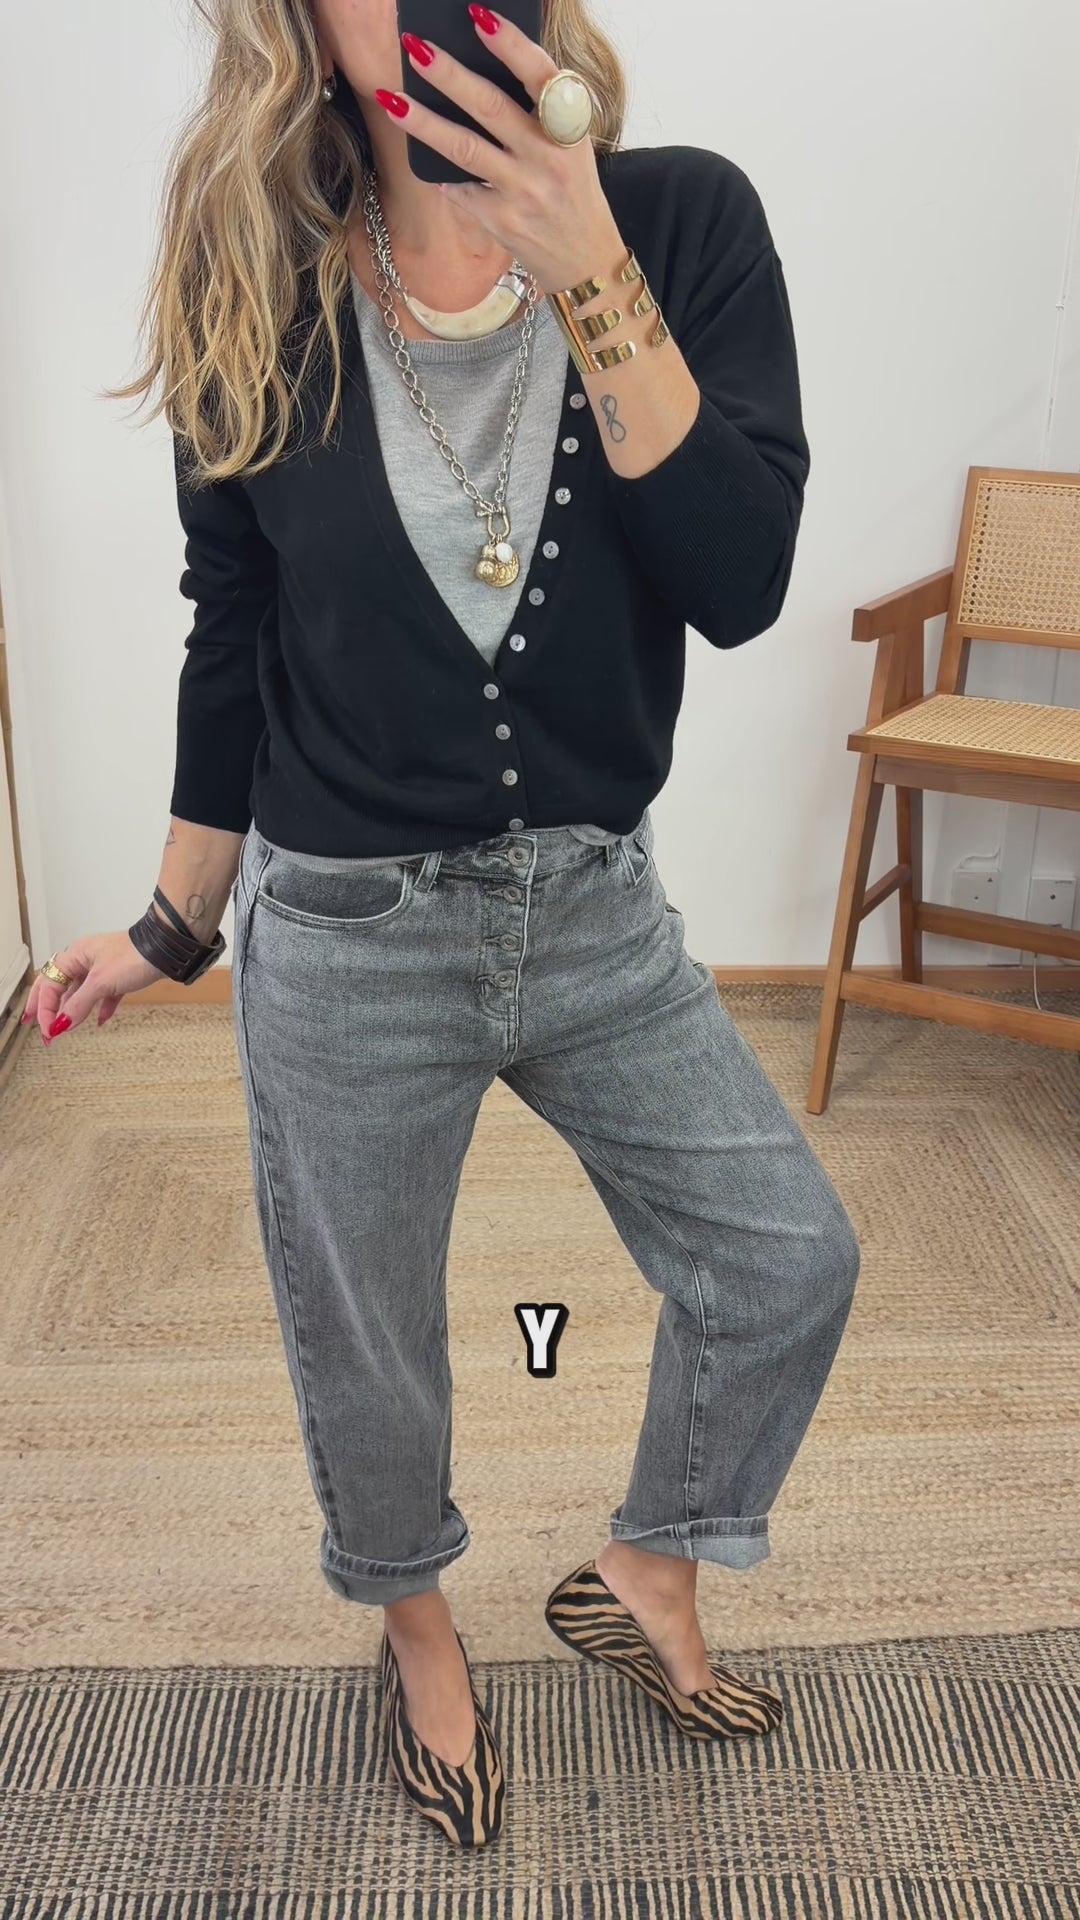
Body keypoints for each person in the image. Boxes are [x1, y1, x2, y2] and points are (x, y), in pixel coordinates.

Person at [22, 0, 861, 1853]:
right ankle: (419, 1638)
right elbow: (231, 633)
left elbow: (739, 580)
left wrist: (589, 264)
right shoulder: (258, 281)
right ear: (304, 27)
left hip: (596, 909)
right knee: (374, 1350)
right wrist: (170, 926)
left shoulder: (684, 221)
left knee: (788, 1259)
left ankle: (646, 1570)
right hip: (344, 930)